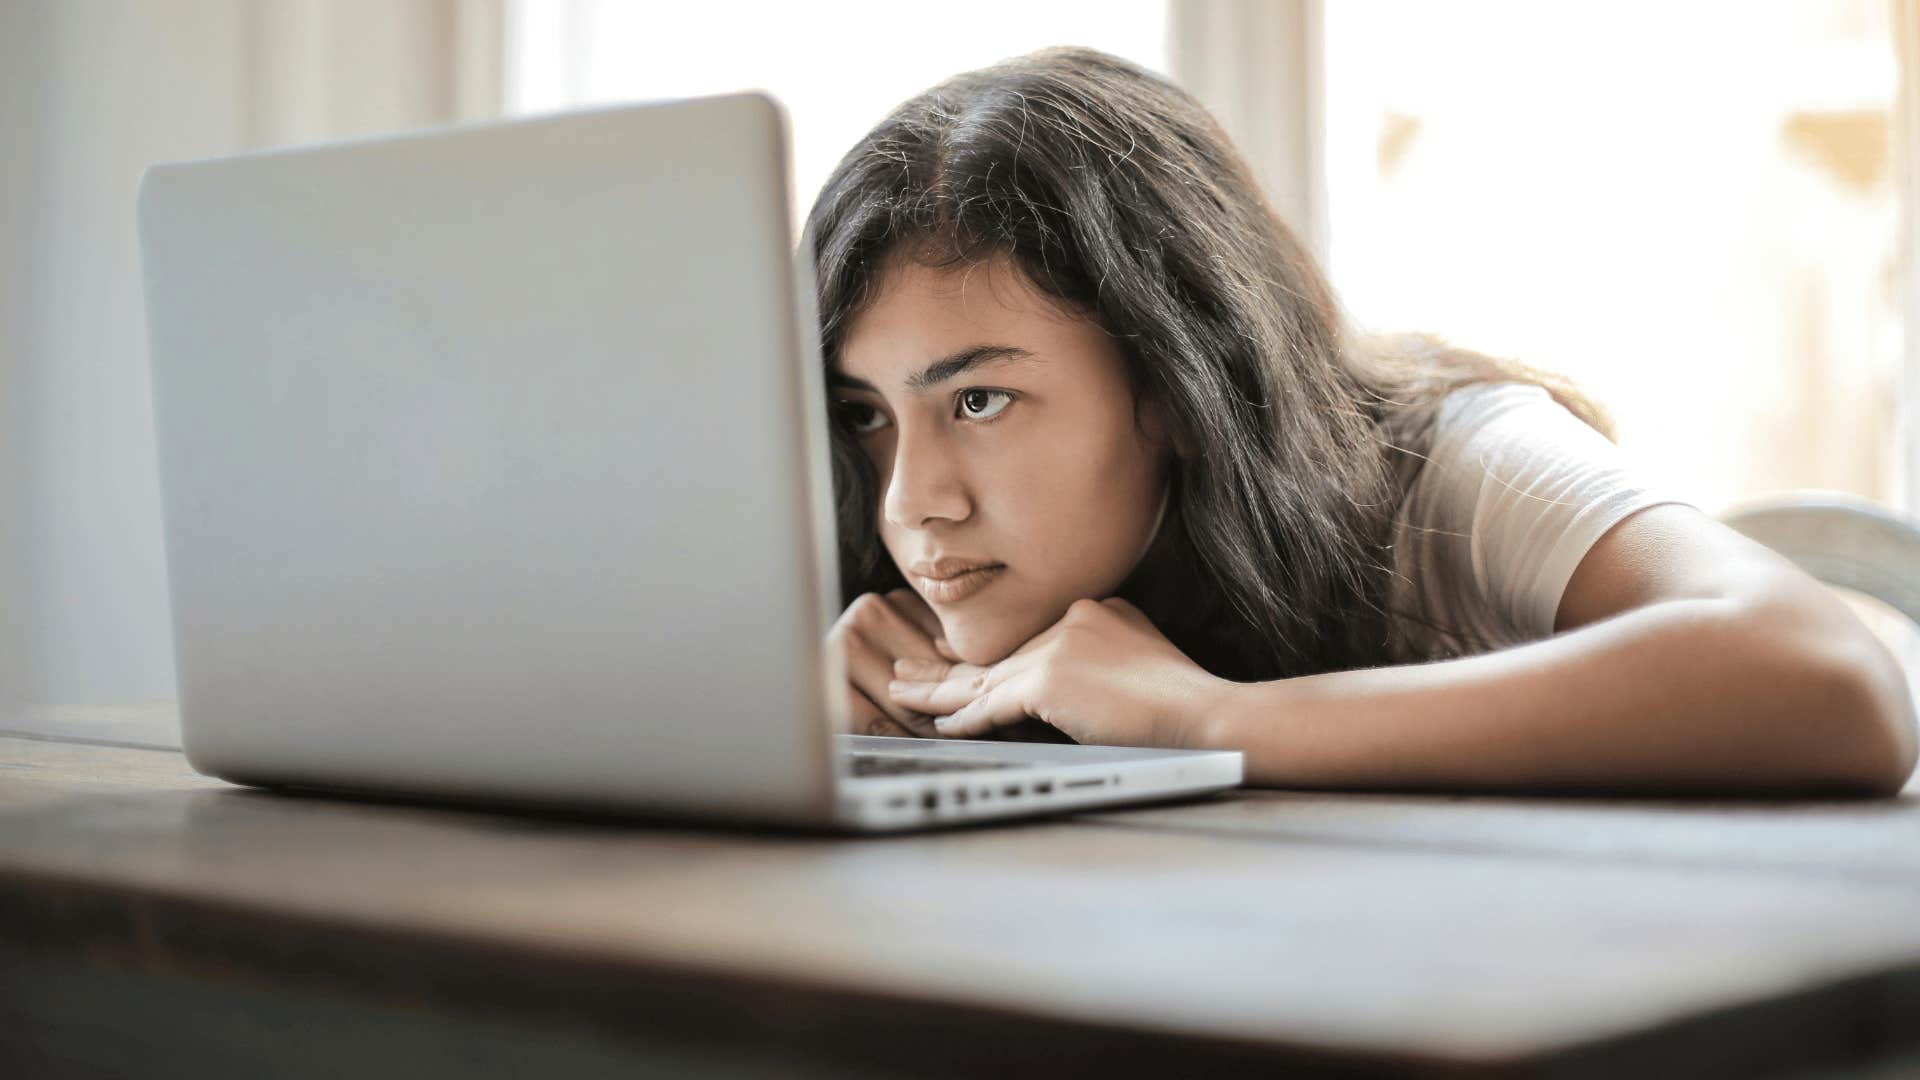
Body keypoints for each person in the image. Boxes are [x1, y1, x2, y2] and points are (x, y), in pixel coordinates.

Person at [810, 46, 1917, 794]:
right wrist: (795, 729)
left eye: (980, 400)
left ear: (1184, 383)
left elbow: (1832, 681)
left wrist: (1206, 722)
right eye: (867, 413)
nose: (914, 501)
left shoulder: (1454, 464)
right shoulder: (904, 586)